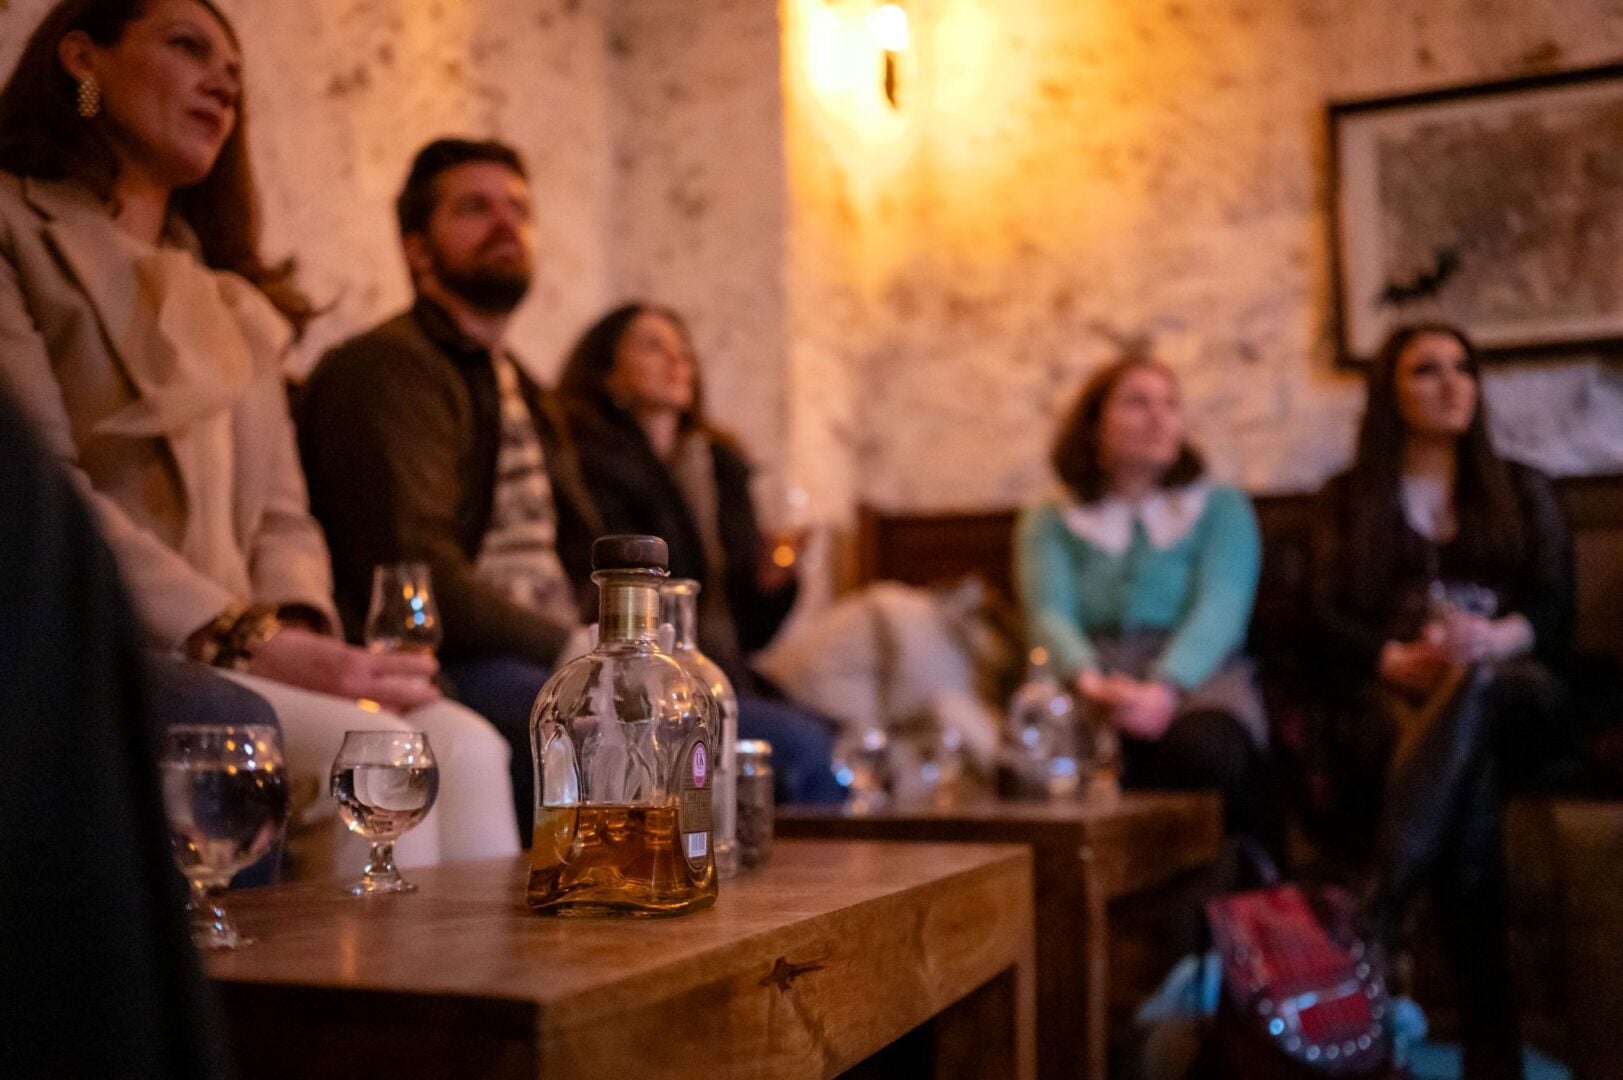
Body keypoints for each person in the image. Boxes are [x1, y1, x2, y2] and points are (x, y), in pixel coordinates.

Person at [0, 0, 517, 872]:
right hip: (106, 630)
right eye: (186, 46)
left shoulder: (237, 301)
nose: (222, 82)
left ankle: (481, 1009)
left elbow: (283, 516)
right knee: (379, 756)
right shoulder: (16, 230)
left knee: (467, 746)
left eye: (234, 73)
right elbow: (40, 488)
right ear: (82, 57)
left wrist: (307, 637)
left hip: (251, 642)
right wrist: (242, 638)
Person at [298, 138, 602, 840]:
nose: (505, 222)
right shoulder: (386, 369)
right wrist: (566, 647)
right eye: (474, 207)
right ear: (416, 249)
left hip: (541, 655)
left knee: (725, 726)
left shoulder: (520, 383)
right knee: (601, 740)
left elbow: (586, 550)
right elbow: (416, 563)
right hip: (456, 659)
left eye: (518, 208)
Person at [1311, 323, 1572, 1080]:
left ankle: (1381, 906)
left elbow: (1556, 611)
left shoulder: (1523, 488)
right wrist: (1391, 656)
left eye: (1463, 368)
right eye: (1427, 370)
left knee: (1477, 691)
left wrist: (1491, 642)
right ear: (1390, 395)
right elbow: (1320, 613)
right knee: (1467, 785)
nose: (1452, 383)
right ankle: (1494, 1047)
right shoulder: (1347, 498)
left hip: (1514, 689)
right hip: (1392, 696)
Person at [557, 303, 845, 804]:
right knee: (803, 749)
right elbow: (613, 591)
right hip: (641, 678)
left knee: (834, 735)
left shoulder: (715, 469)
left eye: (684, 351)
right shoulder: (587, 460)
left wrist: (770, 583)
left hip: (718, 669)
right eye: (653, 346)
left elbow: (746, 634)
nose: (677, 361)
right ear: (607, 371)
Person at [1015, 354, 1275, 846]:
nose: (1160, 418)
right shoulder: (1048, 519)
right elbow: (1048, 612)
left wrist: (1164, 689)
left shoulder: (1221, 508)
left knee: (1203, 752)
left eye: (1171, 404)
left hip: (1201, 679)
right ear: (1095, 424)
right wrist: (1091, 682)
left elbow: (1220, 611)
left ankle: (1223, 908)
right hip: (1089, 680)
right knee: (1057, 764)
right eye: (1138, 403)